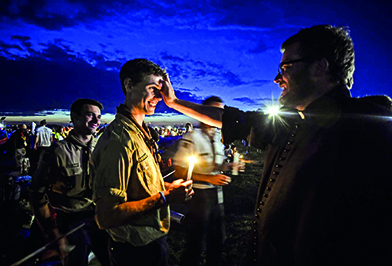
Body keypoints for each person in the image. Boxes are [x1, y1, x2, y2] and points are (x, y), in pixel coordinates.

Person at [159, 25, 392, 266]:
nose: (277, 78)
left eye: (286, 67)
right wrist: (175, 102)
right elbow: (231, 118)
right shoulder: (290, 125)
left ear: (319, 67)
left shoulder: (369, 132)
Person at [91, 58, 194, 266]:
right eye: (152, 88)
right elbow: (107, 216)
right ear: (129, 85)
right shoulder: (120, 140)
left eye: (160, 90)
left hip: (152, 244)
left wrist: (167, 187)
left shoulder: (141, 132)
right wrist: (165, 198)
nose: (159, 97)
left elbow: (139, 185)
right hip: (134, 253)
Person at [28, 98, 110, 266]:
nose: (96, 121)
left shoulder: (101, 150)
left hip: (98, 218)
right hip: (70, 223)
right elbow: (36, 195)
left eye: (99, 117)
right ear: (75, 117)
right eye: (90, 115)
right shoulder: (57, 153)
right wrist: (52, 233)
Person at [173, 96, 231, 266]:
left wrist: (229, 166)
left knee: (218, 240)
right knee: (195, 243)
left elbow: (215, 163)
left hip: (217, 197)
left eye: (220, 111)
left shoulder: (219, 137)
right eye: (213, 110)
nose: (217, 115)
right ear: (203, 113)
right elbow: (180, 171)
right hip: (199, 197)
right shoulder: (192, 138)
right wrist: (208, 178)